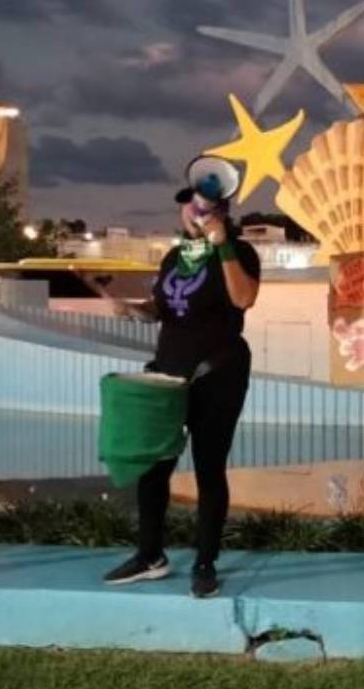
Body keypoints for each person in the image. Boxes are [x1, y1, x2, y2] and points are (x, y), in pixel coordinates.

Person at [103, 180, 261, 599]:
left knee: (210, 468)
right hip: (168, 374)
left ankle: (205, 562)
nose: (194, 213)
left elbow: (244, 298)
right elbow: (166, 308)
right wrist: (136, 310)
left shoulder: (241, 252)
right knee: (153, 465)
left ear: (222, 212)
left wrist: (222, 243)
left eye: (204, 208)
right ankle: (150, 556)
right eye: (188, 207)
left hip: (218, 373)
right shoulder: (175, 256)